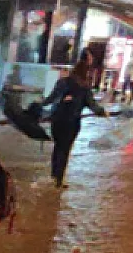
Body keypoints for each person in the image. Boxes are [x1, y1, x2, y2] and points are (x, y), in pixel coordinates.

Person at [41, 60, 109, 188]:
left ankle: (54, 177)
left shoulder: (62, 82)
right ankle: (59, 181)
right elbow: (92, 105)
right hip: (71, 123)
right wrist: (103, 112)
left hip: (56, 120)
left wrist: (39, 105)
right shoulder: (84, 87)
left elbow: (51, 98)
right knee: (64, 150)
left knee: (57, 148)